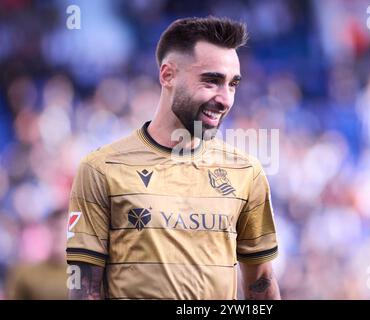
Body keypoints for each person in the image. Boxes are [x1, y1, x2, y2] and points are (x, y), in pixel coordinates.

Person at [67, 16, 280, 300]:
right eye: (212, 81)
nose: (225, 98)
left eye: (232, 84)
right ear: (168, 75)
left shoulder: (246, 172)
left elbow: (261, 282)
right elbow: (83, 287)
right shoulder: (100, 169)